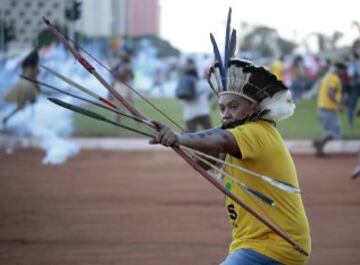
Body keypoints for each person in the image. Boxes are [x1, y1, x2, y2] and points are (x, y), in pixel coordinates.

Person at [150, 35, 311, 265]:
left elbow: (221, 140)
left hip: (276, 244)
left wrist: (179, 137)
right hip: (250, 243)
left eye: (234, 107)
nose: (226, 113)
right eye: (222, 107)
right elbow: (204, 163)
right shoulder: (237, 134)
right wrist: (177, 143)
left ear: (253, 107)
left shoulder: (257, 131)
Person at [313, 62, 347, 157]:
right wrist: (339, 104)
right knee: (335, 132)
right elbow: (330, 92)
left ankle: (319, 146)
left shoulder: (328, 76)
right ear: (340, 70)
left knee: (332, 131)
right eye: (344, 71)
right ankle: (319, 145)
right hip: (327, 109)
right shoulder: (334, 78)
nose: (344, 73)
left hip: (324, 108)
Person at [2, 50, 40, 127]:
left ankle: (8, 118)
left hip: (20, 83)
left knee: (18, 105)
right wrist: (38, 88)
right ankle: (28, 122)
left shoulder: (24, 64)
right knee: (26, 106)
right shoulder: (35, 67)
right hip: (28, 86)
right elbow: (34, 79)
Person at [178, 59, 212, 132]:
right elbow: (209, 95)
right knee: (210, 134)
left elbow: (181, 100)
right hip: (203, 111)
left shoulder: (183, 82)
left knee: (191, 138)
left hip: (189, 113)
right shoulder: (203, 83)